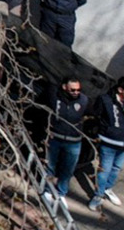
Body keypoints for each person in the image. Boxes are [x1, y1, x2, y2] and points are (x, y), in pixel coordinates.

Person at [90, 76, 124, 208]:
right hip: (108, 143)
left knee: (116, 169)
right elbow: (97, 116)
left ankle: (108, 189)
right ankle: (98, 195)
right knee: (104, 170)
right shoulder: (105, 100)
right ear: (120, 90)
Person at [44, 74, 88, 207]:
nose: (76, 93)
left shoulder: (84, 100)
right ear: (64, 88)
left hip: (74, 141)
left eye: (78, 90)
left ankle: (61, 193)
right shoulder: (55, 97)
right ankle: (47, 190)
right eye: (72, 90)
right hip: (55, 138)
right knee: (50, 166)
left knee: (68, 169)